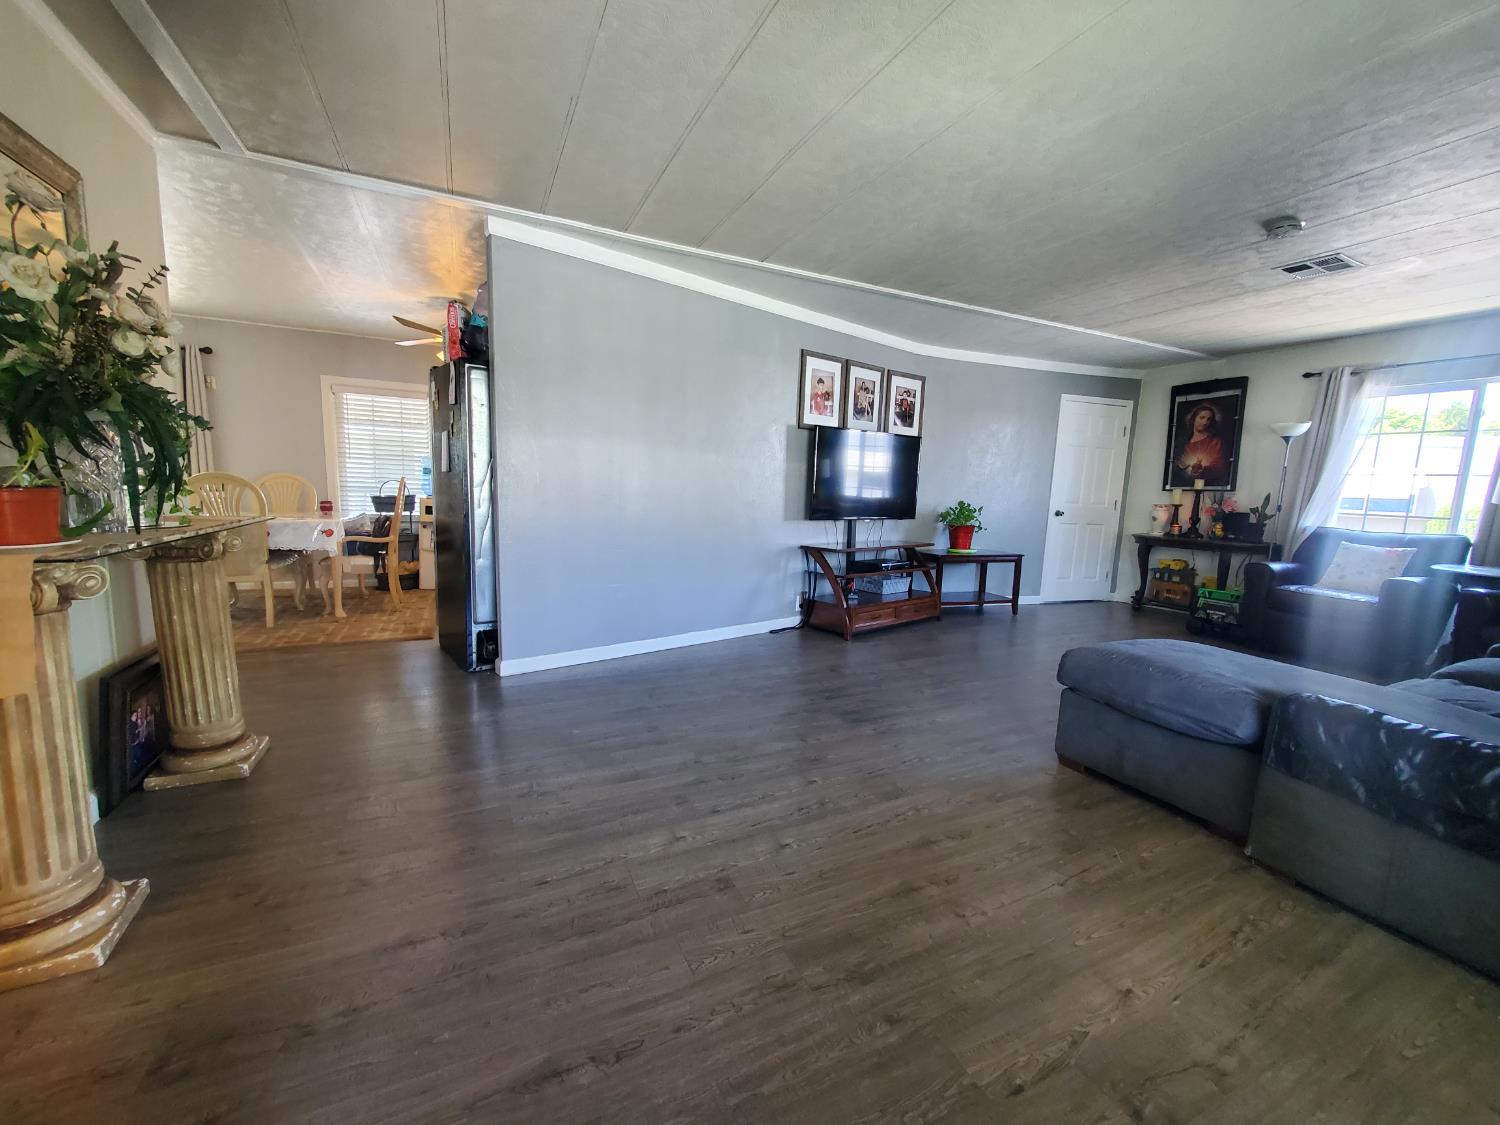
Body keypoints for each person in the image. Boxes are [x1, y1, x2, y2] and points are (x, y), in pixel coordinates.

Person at [1174, 402, 1227, 483]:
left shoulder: (1214, 441)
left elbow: (1220, 466)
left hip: (1209, 483)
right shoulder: (1183, 443)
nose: (1205, 422)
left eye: (1209, 419)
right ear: (1193, 419)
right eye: (1202, 418)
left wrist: (1201, 469)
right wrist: (1181, 467)